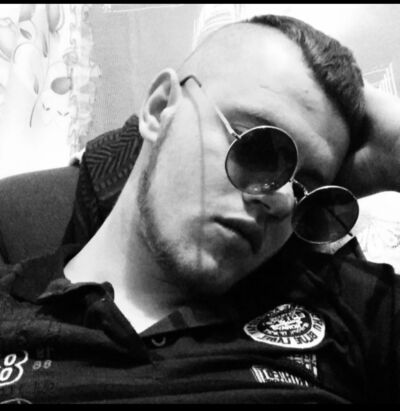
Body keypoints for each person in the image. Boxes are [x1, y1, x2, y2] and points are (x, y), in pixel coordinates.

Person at [0, 14, 400, 404]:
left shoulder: (348, 310)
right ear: (160, 109)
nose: (281, 201)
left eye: (305, 189)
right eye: (259, 148)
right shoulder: (12, 313)